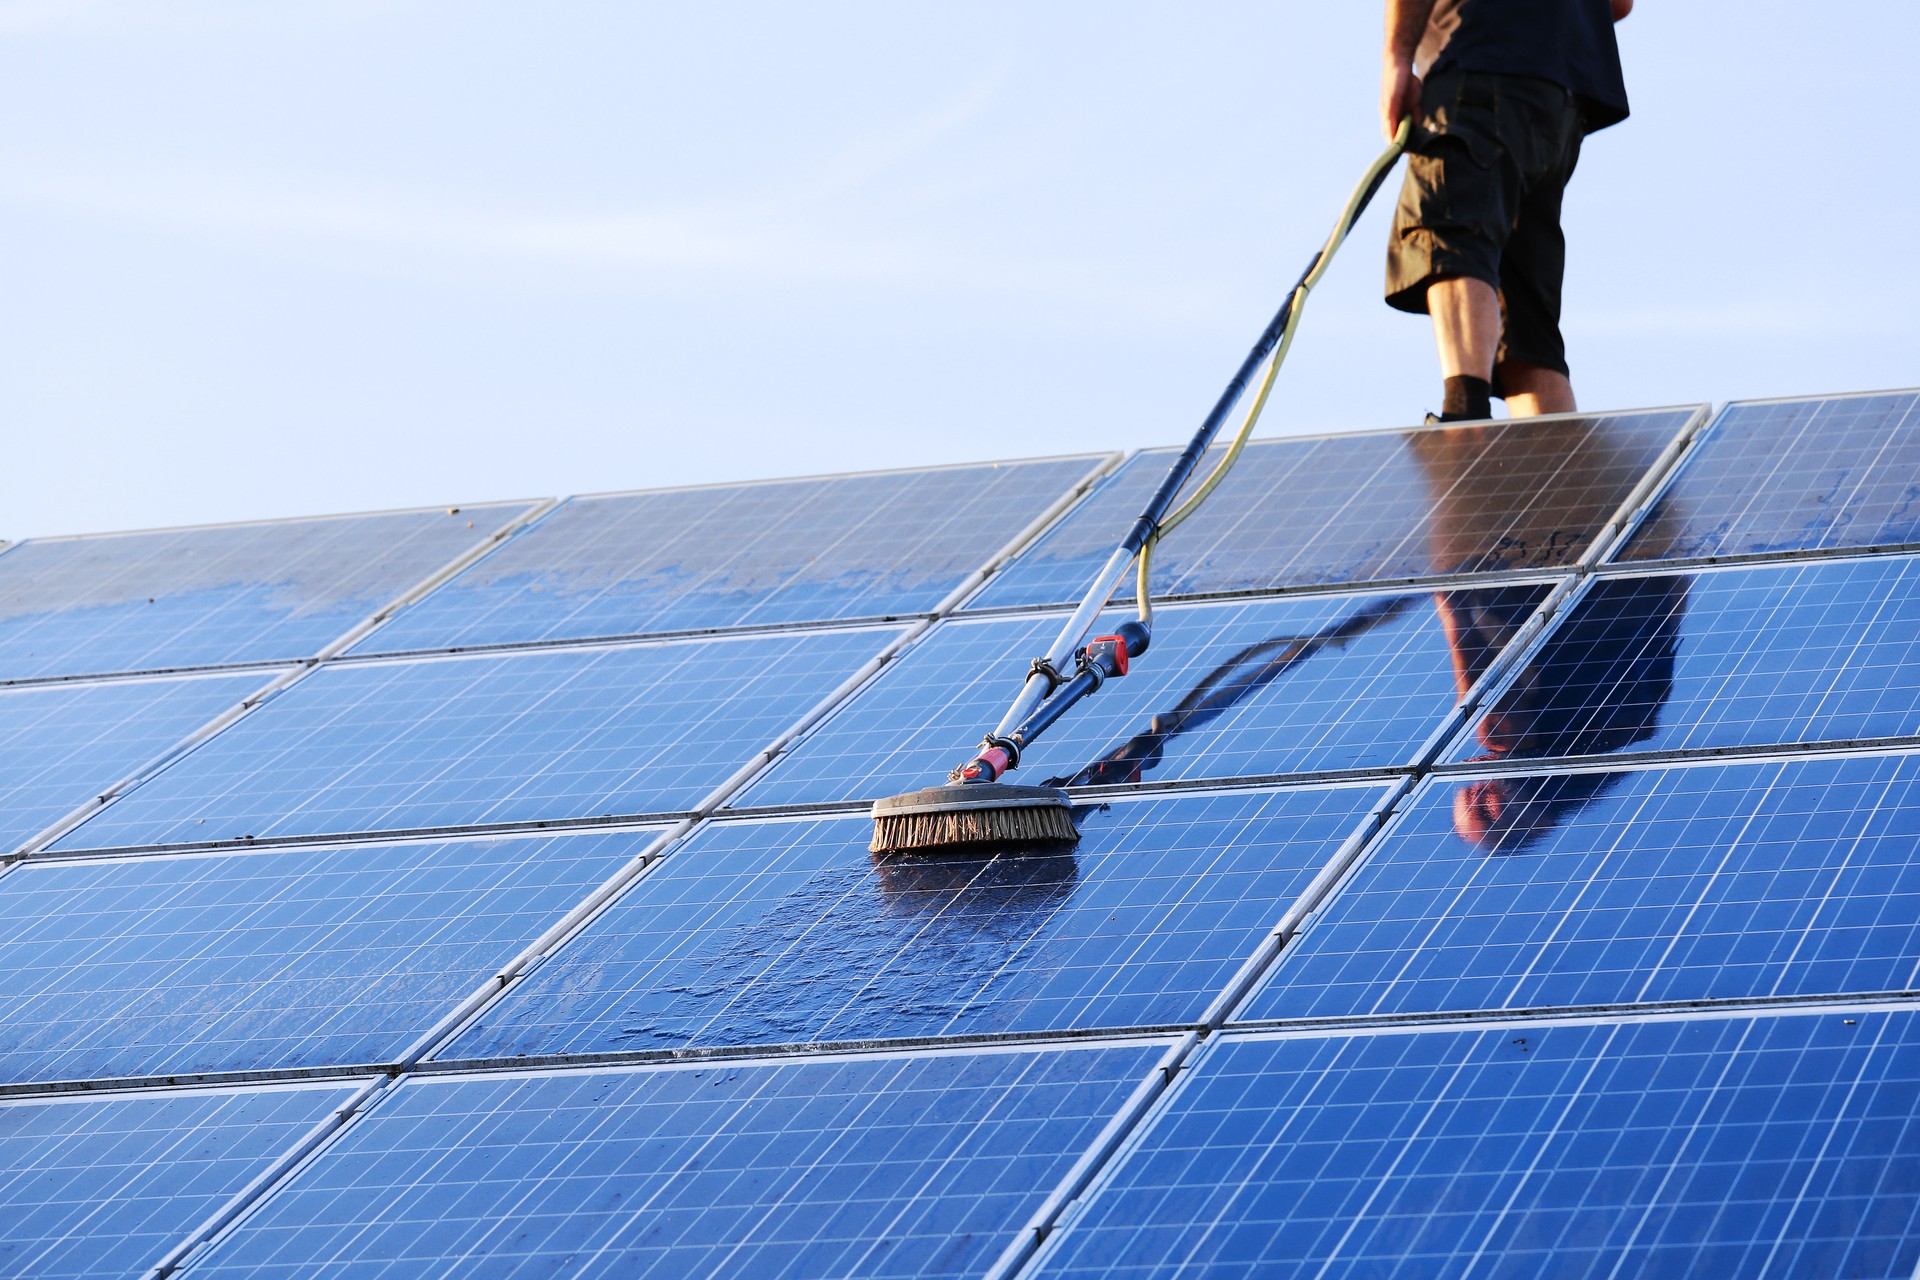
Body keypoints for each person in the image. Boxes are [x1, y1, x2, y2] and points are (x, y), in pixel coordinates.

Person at [1381, 0, 1634, 423]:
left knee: (1452, 233)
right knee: (1525, 319)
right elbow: (1620, 4)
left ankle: (1464, 420)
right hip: (1564, 96)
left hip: (1480, 61)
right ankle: (1558, 477)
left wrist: (1397, 59)